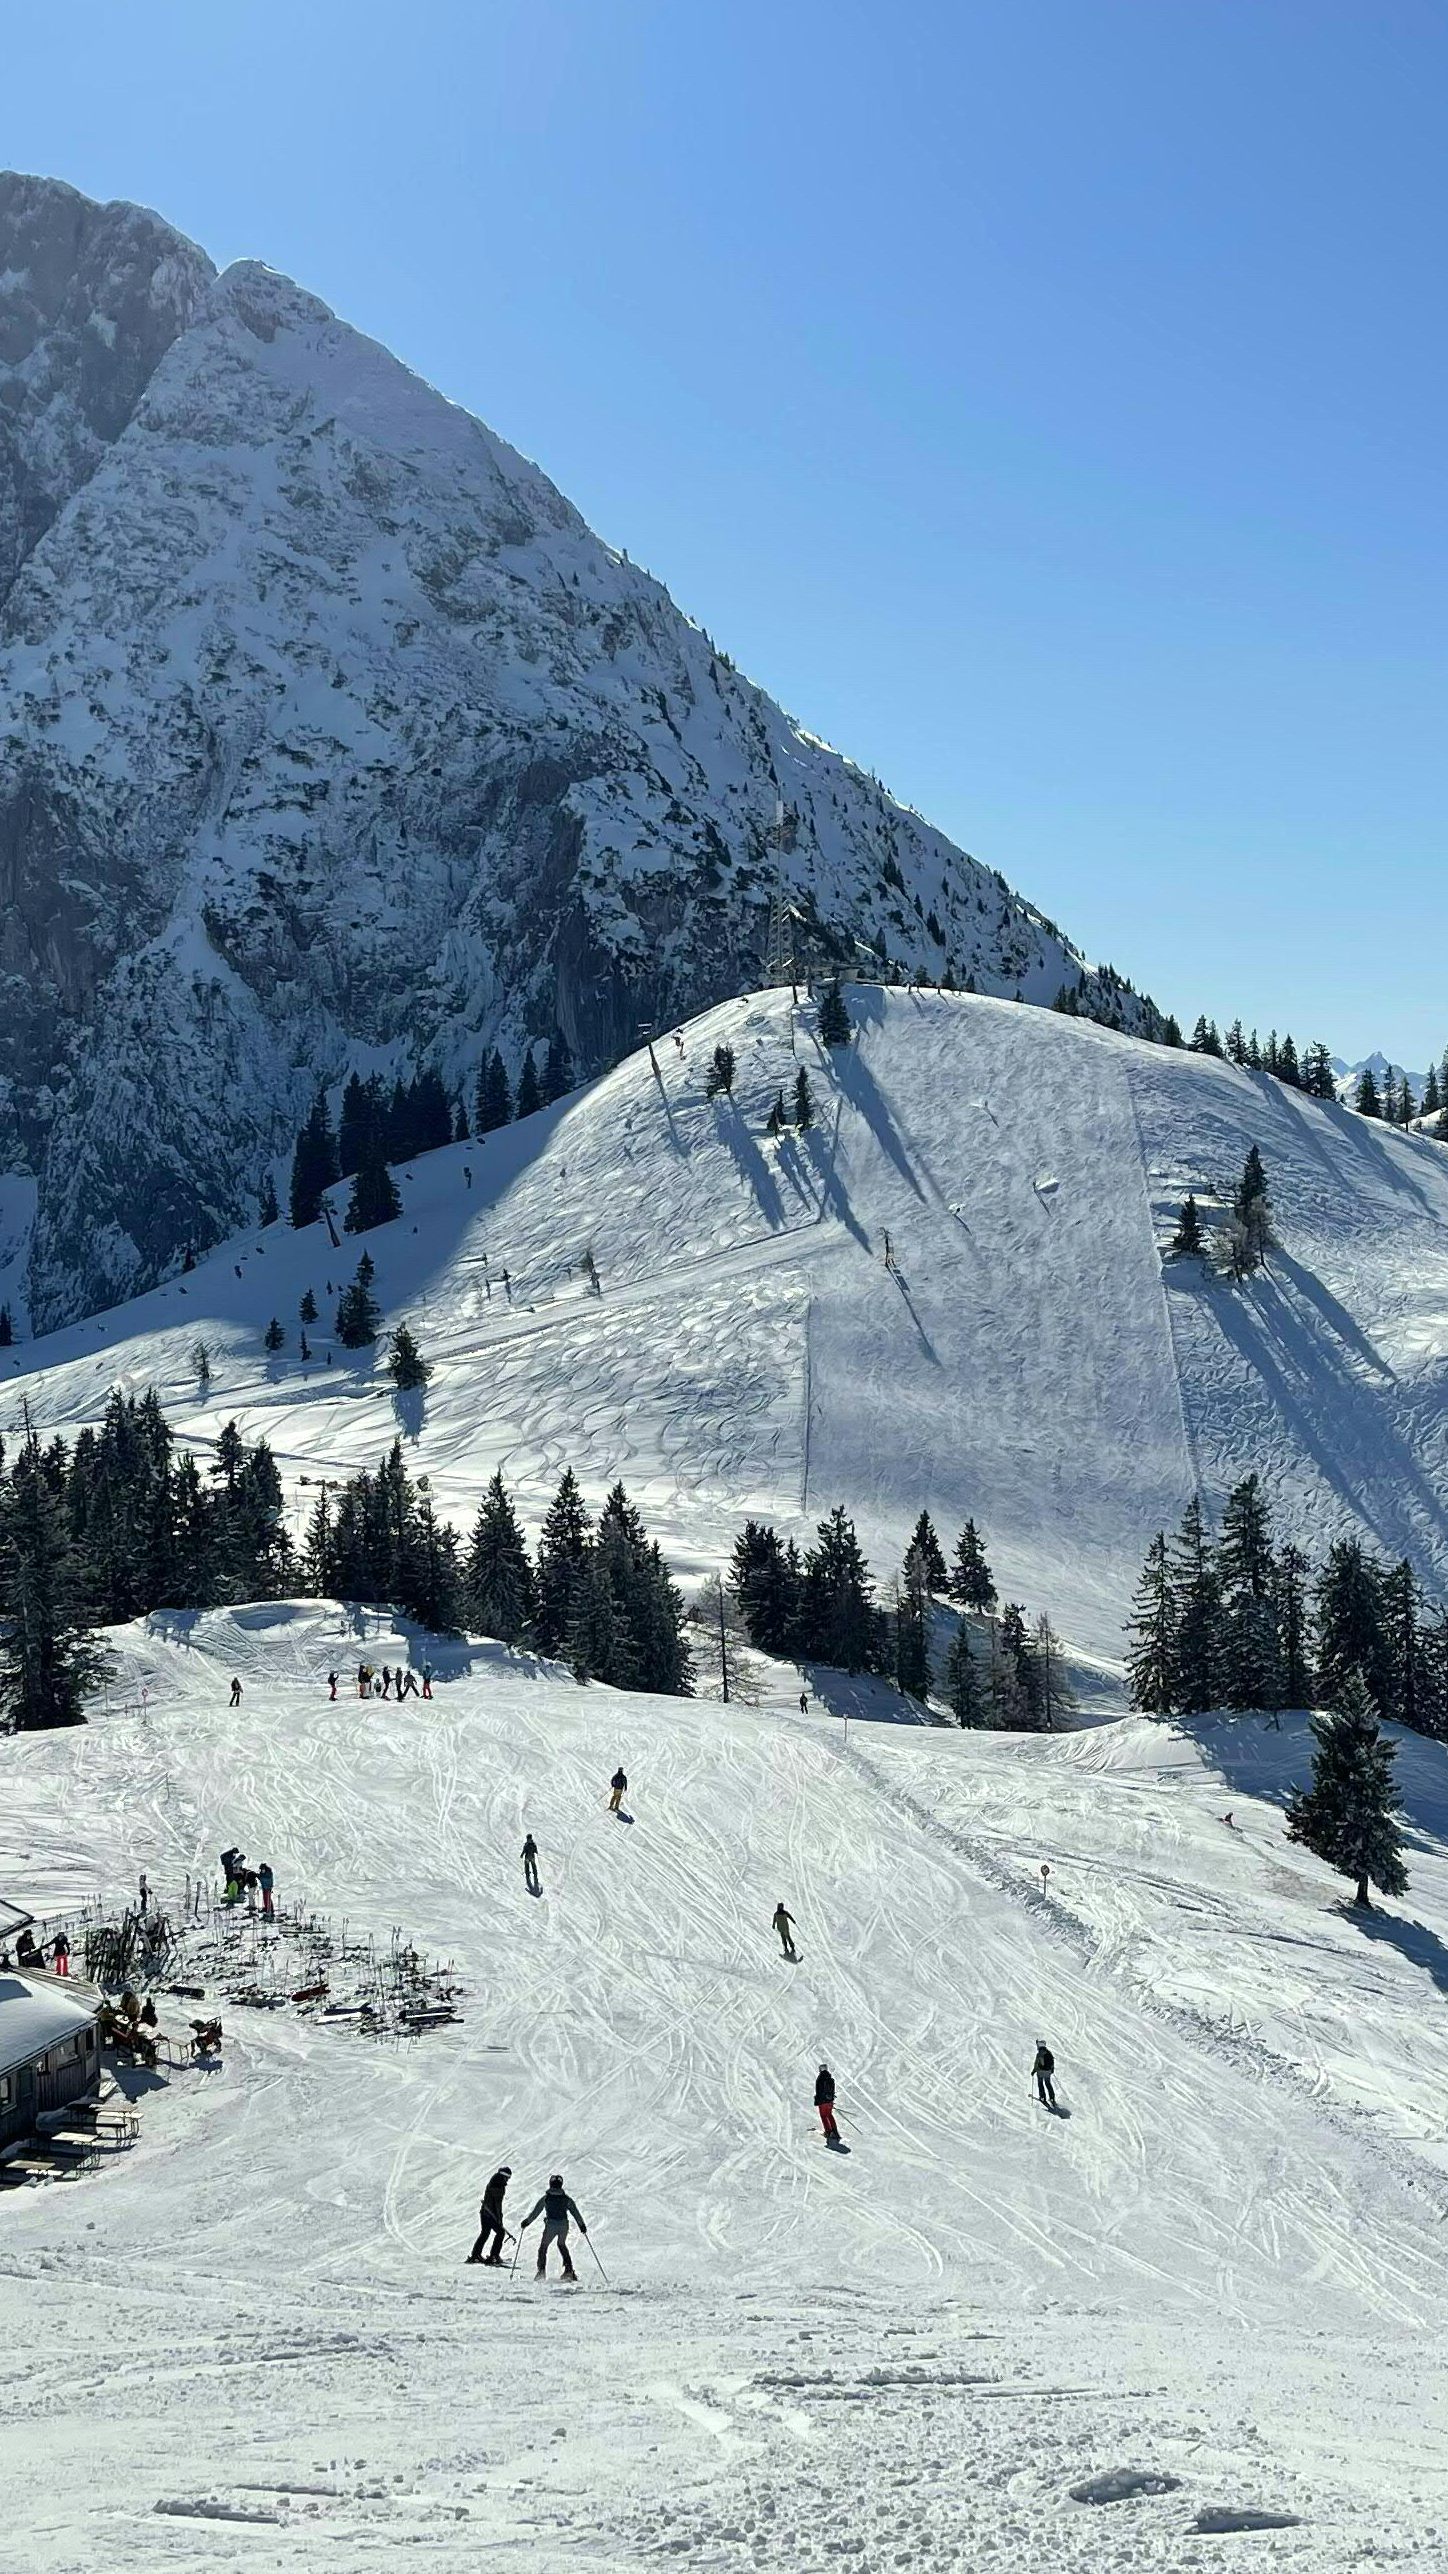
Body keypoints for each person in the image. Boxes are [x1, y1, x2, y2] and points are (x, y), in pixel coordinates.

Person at [521, 2173, 587, 2280]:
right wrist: (582, 2225)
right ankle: (569, 2270)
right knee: (561, 2244)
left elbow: (536, 2212)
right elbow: (575, 2213)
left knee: (543, 2247)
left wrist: (527, 2222)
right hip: (563, 2226)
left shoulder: (546, 2198)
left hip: (551, 2225)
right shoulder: (566, 2199)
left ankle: (541, 2271)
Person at [467, 2164, 512, 2265]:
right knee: (500, 2233)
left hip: (484, 2213)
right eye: (508, 2178)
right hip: (490, 2214)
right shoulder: (498, 2185)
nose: (508, 2180)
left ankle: (476, 2255)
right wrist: (499, 2219)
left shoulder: (494, 2182)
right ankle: (494, 2256)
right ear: (504, 2176)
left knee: (485, 2233)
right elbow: (497, 2204)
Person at [814, 2063, 839, 2144]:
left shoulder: (820, 2078)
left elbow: (819, 2091)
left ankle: (828, 2132)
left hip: (823, 2101)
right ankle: (834, 2131)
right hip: (830, 2101)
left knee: (824, 2116)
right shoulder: (830, 2078)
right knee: (829, 2115)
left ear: (820, 2069)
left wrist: (817, 2099)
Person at [1032, 2041, 1056, 2110]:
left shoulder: (1039, 2054)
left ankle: (1042, 2097)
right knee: (1048, 2084)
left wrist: (1034, 2071)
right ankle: (1052, 2098)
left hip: (1040, 2071)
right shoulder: (1049, 2053)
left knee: (1040, 2083)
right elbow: (1052, 2062)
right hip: (1048, 2071)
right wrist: (1052, 2070)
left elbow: (1036, 2063)